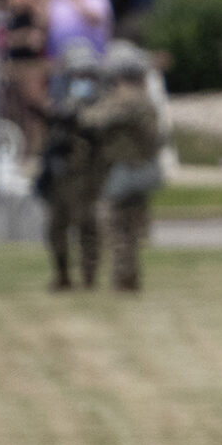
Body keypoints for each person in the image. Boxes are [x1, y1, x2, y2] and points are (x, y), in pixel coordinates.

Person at [86, 42, 162, 292]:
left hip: (127, 169)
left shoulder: (125, 99)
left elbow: (94, 120)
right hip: (138, 167)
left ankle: (124, 279)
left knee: (113, 220)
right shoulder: (143, 98)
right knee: (130, 226)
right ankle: (129, 278)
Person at [41, 41, 105, 289]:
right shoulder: (61, 94)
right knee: (56, 225)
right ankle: (62, 275)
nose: (82, 79)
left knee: (86, 223)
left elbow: (94, 129)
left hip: (86, 171)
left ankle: (89, 276)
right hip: (60, 169)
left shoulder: (99, 100)